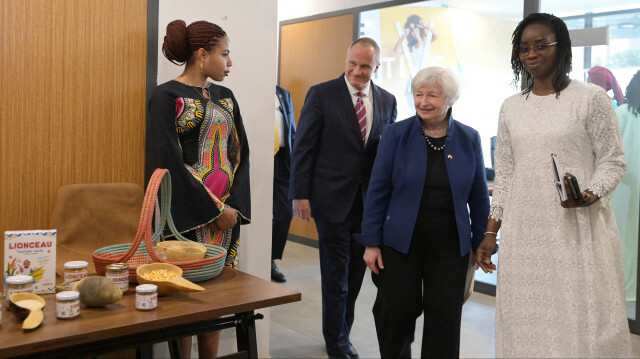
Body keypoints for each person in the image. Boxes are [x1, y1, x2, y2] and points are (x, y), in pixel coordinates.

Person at [476, 13, 632, 358]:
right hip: (525, 234)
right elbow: (505, 173)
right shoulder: (511, 108)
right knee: (526, 319)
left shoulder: (590, 98)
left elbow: (612, 159)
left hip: (576, 229)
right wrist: (490, 232)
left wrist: (590, 195)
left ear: (561, 48)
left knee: (579, 317)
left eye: (541, 45)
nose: (531, 54)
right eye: (524, 48)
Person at [355, 66, 490, 358]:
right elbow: (377, 191)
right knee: (395, 313)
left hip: (450, 246)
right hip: (400, 243)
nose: (424, 101)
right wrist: (371, 242)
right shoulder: (395, 134)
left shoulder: (469, 138)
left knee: (445, 317)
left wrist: (482, 242)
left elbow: (479, 198)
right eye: (419, 94)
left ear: (450, 100)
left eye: (433, 95)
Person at [145, 19, 251, 358]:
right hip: (185, 216)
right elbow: (165, 161)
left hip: (227, 216)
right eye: (225, 54)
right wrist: (213, 211)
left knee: (217, 299)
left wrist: (231, 208)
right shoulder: (167, 95)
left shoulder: (226, 96)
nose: (230, 62)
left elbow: (240, 153)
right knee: (185, 298)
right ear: (202, 55)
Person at [289, 37, 397, 359]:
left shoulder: (388, 100)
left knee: (354, 275)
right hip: (330, 200)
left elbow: (387, 153)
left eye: (364, 66)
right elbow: (304, 145)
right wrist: (300, 192)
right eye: (352, 63)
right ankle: (336, 344)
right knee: (335, 278)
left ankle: (341, 333)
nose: (356, 71)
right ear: (346, 60)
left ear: (376, 67)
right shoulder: (322, 94)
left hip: (368, 206)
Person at [611, 70, 640, 303]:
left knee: (623, 238)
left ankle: (623, 288)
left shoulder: (621, 113)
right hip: (629, 188)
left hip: (622, 188)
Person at [272, 85, 296, 282]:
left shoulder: (283, 94)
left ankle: (270, 258)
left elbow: (292, 129)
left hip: (282, 160)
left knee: (285, 214)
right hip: (259, 158)